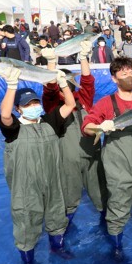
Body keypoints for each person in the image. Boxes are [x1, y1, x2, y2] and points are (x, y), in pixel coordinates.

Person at [0, 66, 75, 264]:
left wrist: (62, 83)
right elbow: (5, 114)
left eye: (35, 102)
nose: (33, 106)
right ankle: (28, 261)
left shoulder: (50, 122)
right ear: (19, 109)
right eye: (27, 105)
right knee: (25, 221)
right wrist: (12, 85)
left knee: (57, 213)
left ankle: (56, 246)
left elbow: (70, 104)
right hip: (26, 186)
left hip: (52, 181)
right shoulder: (13, 128)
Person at [82, 57, 132, 262]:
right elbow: (87, 126)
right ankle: (117, 245)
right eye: (124, 73)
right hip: (117, 162)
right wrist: (102, 127)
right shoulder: (106, 103)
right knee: (118, 201)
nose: (129, 76)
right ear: (114, 78)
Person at [41, 42, 107, 227]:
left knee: (102, 196)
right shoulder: (54, 105)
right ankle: (63, 233)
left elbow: (88, 81)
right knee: (69, 200)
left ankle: (108, 228)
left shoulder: (84, 99)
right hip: (66, 160)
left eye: (69, 83)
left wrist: (84, 58)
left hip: (93, 156)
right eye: (63, 84)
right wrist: (51, 64)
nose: (67, 87)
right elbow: (49, 90)